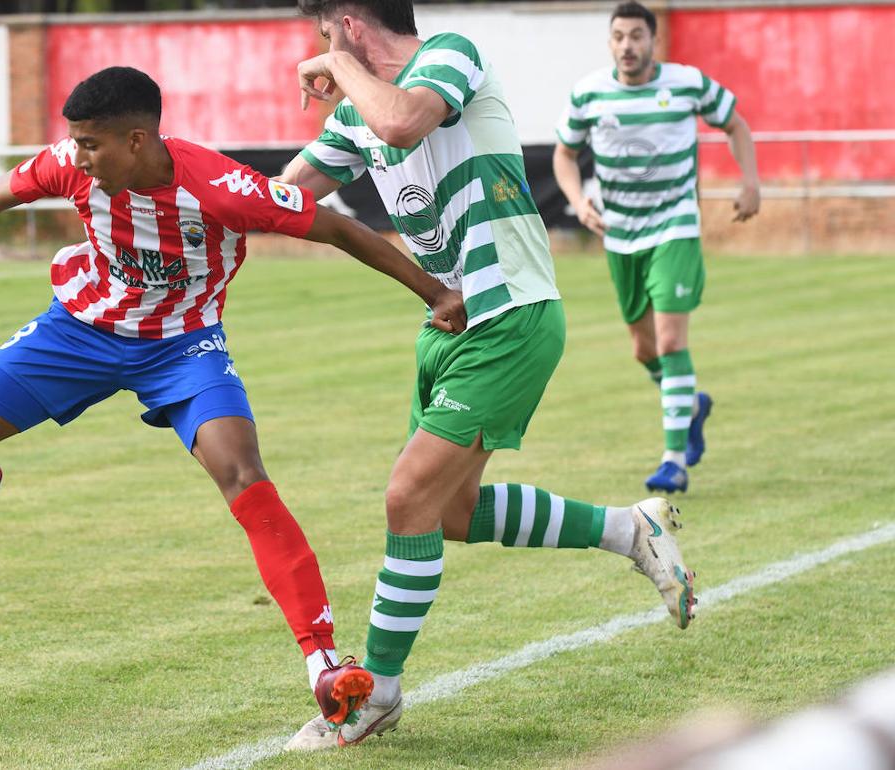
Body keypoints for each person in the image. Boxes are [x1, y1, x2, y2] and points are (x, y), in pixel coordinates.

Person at [0, 66, 467, 727]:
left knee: (242, 474)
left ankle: (325, 664)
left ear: (136, 141)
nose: (77, 158)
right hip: (78, 331)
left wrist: (435, 292)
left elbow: (338, 229)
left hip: (184, 348)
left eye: (90, 145)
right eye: (74, 143)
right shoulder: (72, 167)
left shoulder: (221, 189)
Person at [278, 0, 697, 749]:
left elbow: (404, 120)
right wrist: (176, 188)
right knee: (449, 515)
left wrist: (337, 65)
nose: (318, 52)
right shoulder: (355, 118)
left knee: (407, 496)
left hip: (511, 314)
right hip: (447, 327)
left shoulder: (451, 54)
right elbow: (285, 196)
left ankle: (376, 691)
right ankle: (632, 529)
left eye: (322, 33)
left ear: (346, 22)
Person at [553, 1, 760, 493]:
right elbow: (564, 151)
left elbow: (736, 124)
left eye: (637, 37)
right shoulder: (588, 94)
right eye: (619, 36)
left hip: (675, 228)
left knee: (670, 342)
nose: (628, 46)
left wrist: (750, 181)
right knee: (644, 350)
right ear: (611, 43)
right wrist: (577, 200)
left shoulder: (686, 83)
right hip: (620, 235)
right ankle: (689, 404)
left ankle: (673, 460)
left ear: (653, 41)